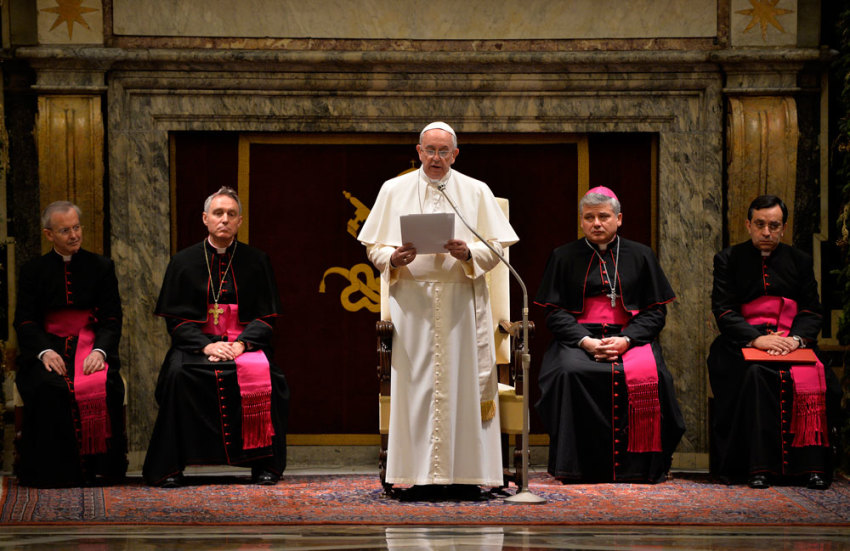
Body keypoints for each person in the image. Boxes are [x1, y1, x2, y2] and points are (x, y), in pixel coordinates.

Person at [358, 122, 519, 500]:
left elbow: (495, 247)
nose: (436, 158)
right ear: (418, 151)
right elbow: (374, 247)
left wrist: (469, 253)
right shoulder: (392, 189)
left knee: (461, 385)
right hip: (411, 305)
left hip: (461, 302)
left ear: (455, 154)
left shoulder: (476, 190)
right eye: (429, 150)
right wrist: (392, 257)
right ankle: (414, 475)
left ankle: (466, 475)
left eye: (443, 151)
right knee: (416, 388)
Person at [534, 186, 684, 483]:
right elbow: (554, 312)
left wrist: (627, 340)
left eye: (603, 216)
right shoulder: (563, 256)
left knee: (658, 379)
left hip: (630, 336)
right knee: (568, 373)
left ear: (619, 219)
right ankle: (576, 467)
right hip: (579, 338)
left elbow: (656, 312)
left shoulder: (641, 255)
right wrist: (586, 342)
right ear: (581, 221)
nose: (596, 223)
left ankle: (643, 467)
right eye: (589, 217)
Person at [143, 186, 289, 487]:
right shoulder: (183, 262)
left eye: (231, 214)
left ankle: (264, 465)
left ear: (240, 221)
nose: (224, 219)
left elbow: (266, 317)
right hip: (199, 345)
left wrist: (239, 344)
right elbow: (176, 320)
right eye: (218, 213)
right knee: (179, 374)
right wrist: (208, 344)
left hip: (242, 345)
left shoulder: (257, 260)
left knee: (271, 378)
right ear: (205, 219)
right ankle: (170, 466)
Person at [708, 194, 839, 490]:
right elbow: (724, 310)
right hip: (743, 341)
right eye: (760, 224)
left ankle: (812, 468)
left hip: (792, 341)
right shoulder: (728, 259)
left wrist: (795, 340)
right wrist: (757, 339)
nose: (767, 232)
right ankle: (757, 468)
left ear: (784, 228)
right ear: (748, 225)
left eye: (774, 225)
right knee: (755, 376)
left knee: (823, 381)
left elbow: (811, 310)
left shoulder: (800, 261)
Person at [13, 201, 126, 487]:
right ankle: (53, 472)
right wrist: (44, 351)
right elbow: (24, 321)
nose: (74, 235)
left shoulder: (102, 267)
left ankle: (102, 468)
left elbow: (112, 318)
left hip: (91, 344)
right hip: (48, 346)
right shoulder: (32, 270)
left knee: (107, 382)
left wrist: (101, 351)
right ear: (49, 234)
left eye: (77, 228)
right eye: (65, 230)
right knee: (50, 386)